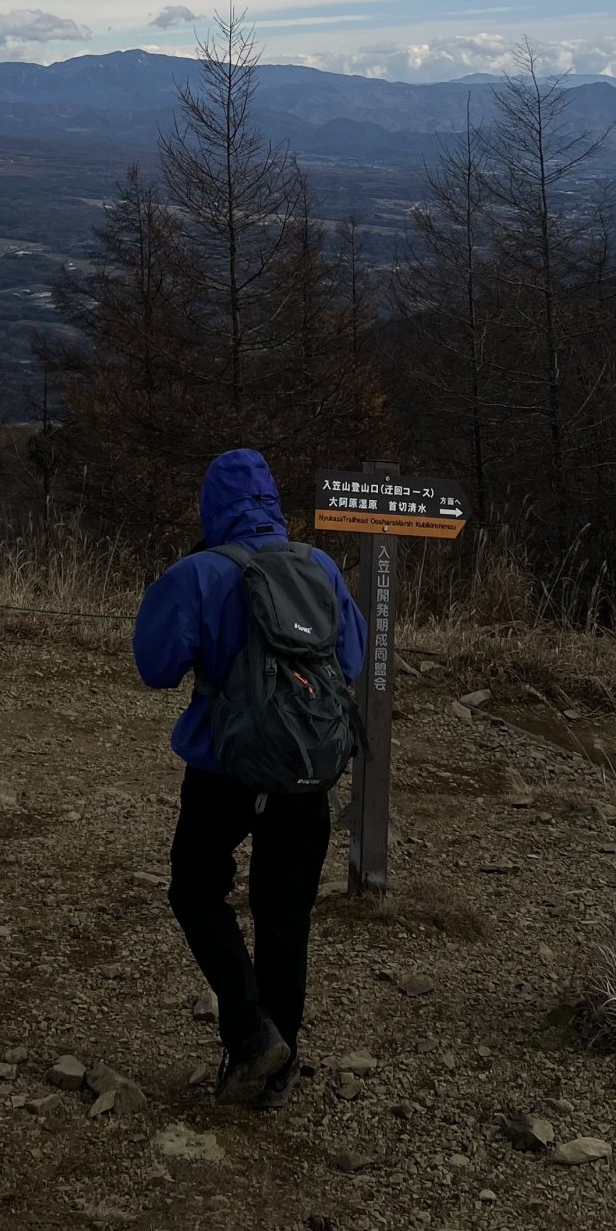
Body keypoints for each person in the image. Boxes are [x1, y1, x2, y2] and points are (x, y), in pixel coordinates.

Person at [133, 448, 367, 1108]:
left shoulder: (197, 574)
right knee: (285, 914)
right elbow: (350, 653)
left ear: (212, 508)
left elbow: (154, 665)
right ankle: (277, 1074)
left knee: (196, 886)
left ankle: (249, 1031)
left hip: (222, 767)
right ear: (271, 504)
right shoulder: (318, 566)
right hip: (307, 767)